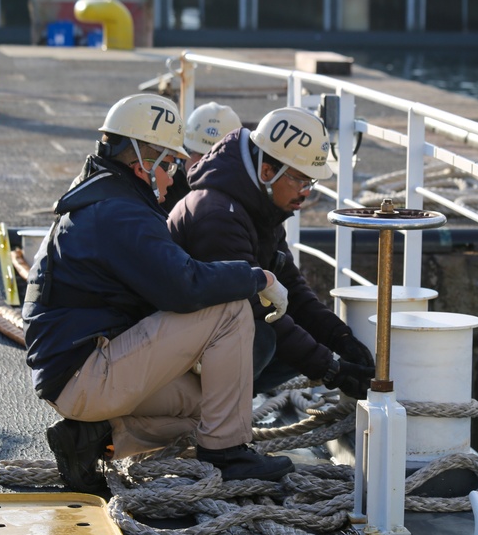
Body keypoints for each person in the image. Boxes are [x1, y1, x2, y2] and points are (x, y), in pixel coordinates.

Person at [23, 93, 295, 494]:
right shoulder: (119, 213)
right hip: (87, 374)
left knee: (212, 410)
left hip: (78, 374)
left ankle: (93, 438)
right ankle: (228, 454)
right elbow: (184, 287)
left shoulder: (104, 200)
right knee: (231, 309)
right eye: (167, 164)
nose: (173, 176)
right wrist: (261, 279)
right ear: (142, 163)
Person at [168, 106, 375, 399]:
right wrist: (331, 370)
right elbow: (255, 307)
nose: (306, 192)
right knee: (262, 339)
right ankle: (207, 417)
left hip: (201, 335)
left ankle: (213, 407)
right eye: (301, 180)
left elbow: (291, 286)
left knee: (293, 338)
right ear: (267, 171)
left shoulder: (258, 206)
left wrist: (339, 338)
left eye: (311, 183)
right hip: (176, 348)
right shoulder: (217, 216)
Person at [161, 101, 240, 213]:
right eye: (200, 155)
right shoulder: (165, 188)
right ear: (184, 153)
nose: (207, 165)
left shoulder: (244, 196)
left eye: (217, 158)